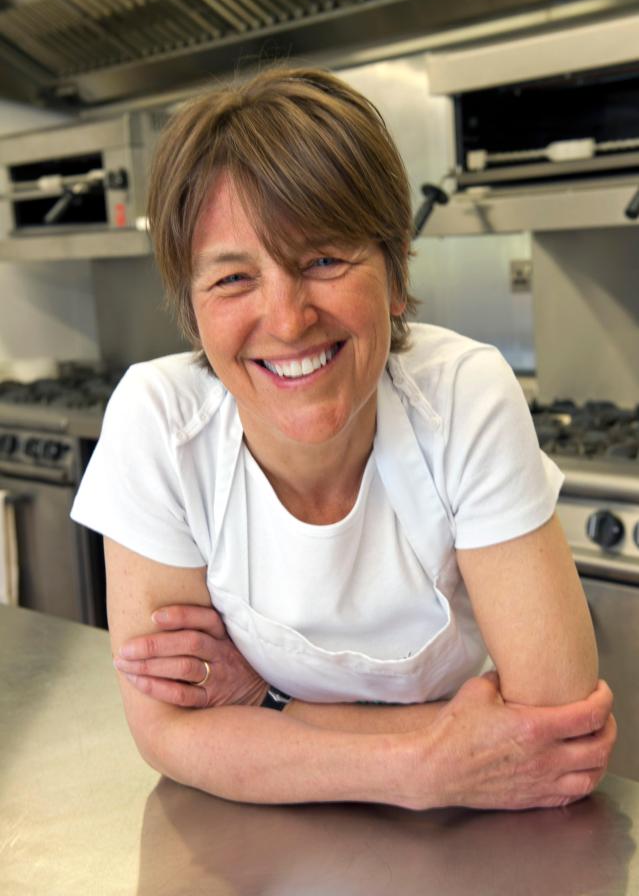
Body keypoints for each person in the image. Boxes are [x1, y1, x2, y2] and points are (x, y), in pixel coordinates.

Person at [71, 66, 615, 811]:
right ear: (191, 308)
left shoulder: (462, 395)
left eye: (323, 260)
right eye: (232, 279)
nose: (288, 320)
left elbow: (553, 728)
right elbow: (168, 732)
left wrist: (267, 705)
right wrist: (423, 768)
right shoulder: (158, 423)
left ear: (393, 276)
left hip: (483, 844)